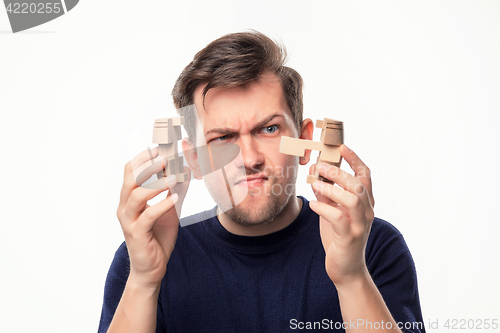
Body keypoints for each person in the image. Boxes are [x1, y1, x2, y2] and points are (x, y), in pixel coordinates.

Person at [98, 31, 425, 333]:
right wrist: (143, 281)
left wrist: (352, 276)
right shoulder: (141, 258)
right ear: (194, 160)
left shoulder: (374, 246)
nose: (249, 157)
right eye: (223, 137)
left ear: (304, 140)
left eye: (269, 129)